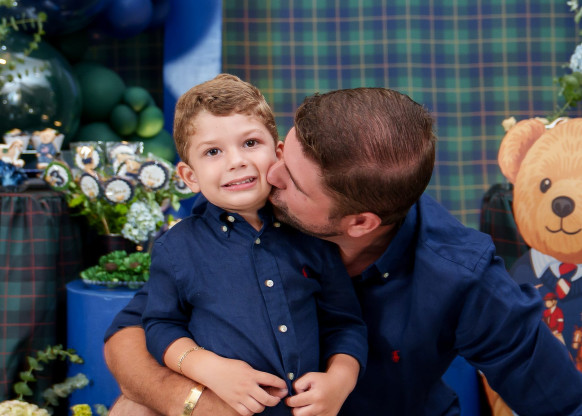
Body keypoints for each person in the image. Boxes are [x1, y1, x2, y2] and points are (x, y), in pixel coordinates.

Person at [104, 86, 582, 415]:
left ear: (358, 223)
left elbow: (563, 404)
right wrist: (193, 403)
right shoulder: (241, 219)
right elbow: (130, 335)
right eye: (282, 153)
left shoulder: (462, 274)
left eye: (292, 182)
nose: (267, 175)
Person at [131, 74, 367, 416]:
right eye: (213, 151)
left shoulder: (313, 237)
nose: (236, 161)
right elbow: (160, 325)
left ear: (279, 152)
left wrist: (340, 381)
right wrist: (208, 368)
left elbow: (345, 323)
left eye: (250, 143)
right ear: (190, 176)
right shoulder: (176, 248)